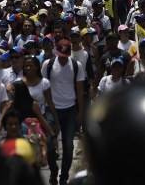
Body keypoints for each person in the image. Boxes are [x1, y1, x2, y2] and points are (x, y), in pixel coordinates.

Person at [42, 39, 86, 185]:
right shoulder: (47, 65)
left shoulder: (76, 65)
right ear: (56, 52)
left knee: (68, 146)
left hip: (70, 110)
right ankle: (54, 171)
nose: (62, 58)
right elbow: (44, 87)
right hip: (51, 109)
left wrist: (80, 112)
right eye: (60, 54)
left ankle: (63, 177)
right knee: (49, 145)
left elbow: (80, 90)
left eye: (65, 55)